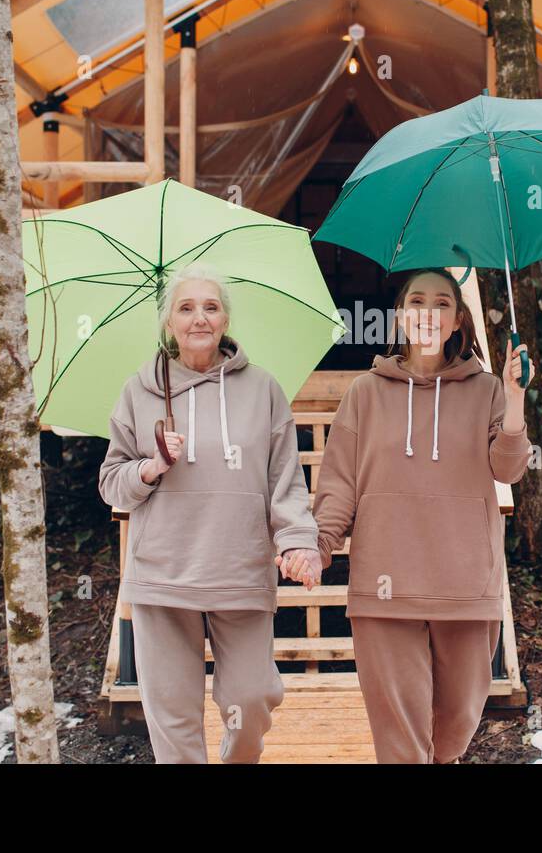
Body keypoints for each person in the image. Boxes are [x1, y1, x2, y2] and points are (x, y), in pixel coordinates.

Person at [299, 266, 532, 763]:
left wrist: (515, 399)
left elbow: (508, 470)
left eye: (442, 303)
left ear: (457, 321)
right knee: (402, 741)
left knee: (458, 722)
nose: (429, 312)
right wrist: (318, 547)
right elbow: (339, 484)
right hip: (385, 586)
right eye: (417, 302)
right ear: (401, 316)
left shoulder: (488, 389)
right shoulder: (366, 392)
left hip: (466, 584)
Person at [97, 262, 321, 763]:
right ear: (168, 324)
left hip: (240, 572)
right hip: (163, 576)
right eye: (186, 307)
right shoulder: (140, 392)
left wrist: (298, 541)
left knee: (251, 701)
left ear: (225, 320)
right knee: (172, 721)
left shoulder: (263, 389)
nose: (200, 318)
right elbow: (113, 485)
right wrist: (151, 467)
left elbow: (285, 481)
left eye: (211, 307)